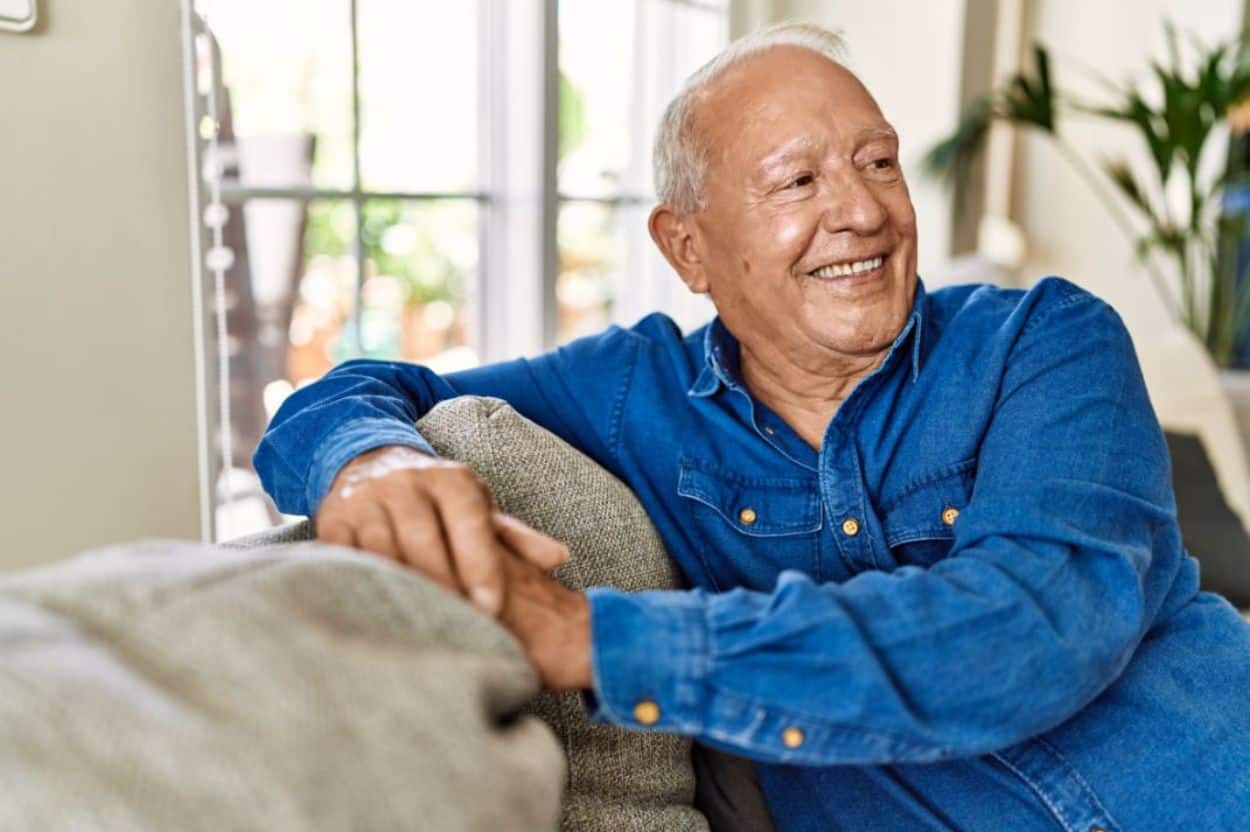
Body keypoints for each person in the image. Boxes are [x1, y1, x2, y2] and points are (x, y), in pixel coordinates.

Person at [254, 23, 1250, 830]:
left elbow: (1035, 626)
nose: (861, 210)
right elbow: (353, 390)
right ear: (685, 246)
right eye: (797, 182)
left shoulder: (1045, 340)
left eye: (878, 162)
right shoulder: (632, 391)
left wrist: (595, 641)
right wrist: (368, 460)